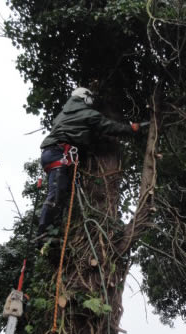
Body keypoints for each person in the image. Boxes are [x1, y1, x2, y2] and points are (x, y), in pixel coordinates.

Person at [34, 87, 142, 247]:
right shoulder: (87, 114)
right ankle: (43, 235)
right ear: (84, 97)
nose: (92, 101)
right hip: (61, 154)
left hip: (53, 153)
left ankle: (52, 233)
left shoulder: (63, 114)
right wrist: (130, 128)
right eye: (90, 98)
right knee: (57, 194)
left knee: (61, 193)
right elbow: (108, 126)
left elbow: (79, 132)